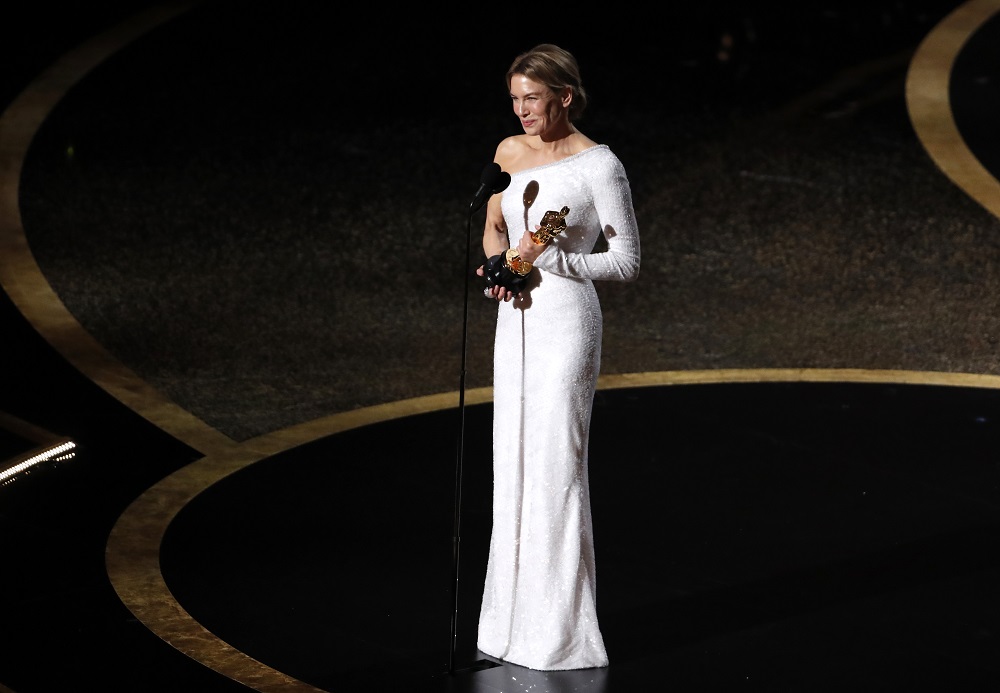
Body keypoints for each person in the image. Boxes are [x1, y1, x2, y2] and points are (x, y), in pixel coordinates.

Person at [475, 43, 641, 671]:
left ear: (563, 97)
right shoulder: (508, 153)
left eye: (533, 99)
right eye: (515, 98)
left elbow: (625, 261)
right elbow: (494, 223)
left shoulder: (599, 166)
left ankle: (559, 635)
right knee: (514, 463)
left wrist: (553, 259)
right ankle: (507, 625)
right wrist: (499, 266)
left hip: (567, 323)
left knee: (555, 467)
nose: (521, 110)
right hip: (513, 325)